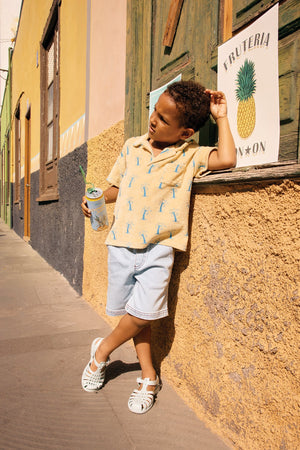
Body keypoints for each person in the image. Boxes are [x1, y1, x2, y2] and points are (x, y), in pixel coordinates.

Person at [81, 80, 236, 414]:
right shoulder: (131, 147)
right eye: (155, 111)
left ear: (185, 132)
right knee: (138, 316)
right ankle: (149, 375)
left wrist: (221, 117)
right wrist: (96, 197)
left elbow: (227, 159)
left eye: (165, 119)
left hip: (159, 248)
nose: (154, 120)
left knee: (141, 313)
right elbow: (115, 187)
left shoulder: (190, 156)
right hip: (121, 243)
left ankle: (102, 352)